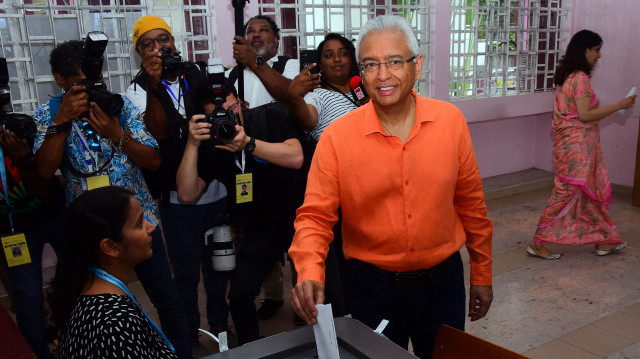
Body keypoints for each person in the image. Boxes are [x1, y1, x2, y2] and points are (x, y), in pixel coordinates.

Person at [288, 15, 493, 359]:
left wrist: (482, 273)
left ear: (418, 65)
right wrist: (309, 271)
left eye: (395, 61)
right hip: (372, 289)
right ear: (360, 73)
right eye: (371, 64)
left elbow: (472, 205)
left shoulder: (450, 122)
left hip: (443, 285)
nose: (383, 76)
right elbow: (314, 216)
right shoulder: (338, 137)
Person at [32, 40, 191, 358]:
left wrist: (116, 133)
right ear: (60, 81)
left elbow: (154, 160)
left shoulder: (119, 106)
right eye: (80, 82)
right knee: (86, 303)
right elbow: (44, 171)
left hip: (137, 221)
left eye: (95, 79)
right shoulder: (47, 115)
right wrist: (62, 119)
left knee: (167, 298)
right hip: (88, 230)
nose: (91, 88)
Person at [126, 16, 232, 350]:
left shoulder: (196, 72)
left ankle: (219, 328)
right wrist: (156, 85)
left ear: (175, 41)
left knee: (219, 266)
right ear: (139, 53)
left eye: (163, 39)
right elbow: (157, 134)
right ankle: (189, 333)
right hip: (176, 199)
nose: (159, 48)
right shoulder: (136, 90)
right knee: (185, 273)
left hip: (217, 188)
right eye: (148, 44)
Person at [176, 83, 304, 345]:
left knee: (325, 290)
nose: (228, 120)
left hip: (301, 217)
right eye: (216, 116)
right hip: (261, 226)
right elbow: (187, 194)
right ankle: (251, 349)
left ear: (242, 103)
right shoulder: (213, 145)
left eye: (231, 109)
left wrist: (248, 144)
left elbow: (296, 157)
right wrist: (191, 144)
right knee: (239, 296)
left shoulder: (271, 116)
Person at [527, 30, 636, 260]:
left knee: (588, 195)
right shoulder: (580, 79)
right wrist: (621, 105)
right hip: (577, 150)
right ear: (584, 50)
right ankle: (538, 242)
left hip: (574, 147)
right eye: (596, 50)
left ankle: (604, 241)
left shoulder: (567, 76)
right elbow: (585, 115)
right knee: (565, 194)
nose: (599, 55)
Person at [228, 15, 301, 321]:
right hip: (252, 168)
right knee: (260, 235)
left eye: (263, 30)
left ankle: (303, 298)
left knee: (299, 239)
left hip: (290, 164)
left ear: (276, 38)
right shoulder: (234, 75)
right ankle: (272, 295)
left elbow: (290, 95)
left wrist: (256, 62)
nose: (256, 35)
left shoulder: (291, 66)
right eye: (250, 31)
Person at [49, 186, 178, 358]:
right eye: (140, 223)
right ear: (110, 247)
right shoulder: (115, 323)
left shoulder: (87, 286)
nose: (151, 227)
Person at [0, 125, 65, 359]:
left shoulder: (20, 127)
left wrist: (24, 158)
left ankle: (81, 343)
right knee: (28, 299)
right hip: (14, 232)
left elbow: (45, 185)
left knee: (76, 282)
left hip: (54, 215)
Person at [288, 32, 362, 140]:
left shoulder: (366, 89)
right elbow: (308, 121)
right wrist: (295, 97)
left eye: (343, 54)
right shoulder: (317, 96)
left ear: (352, 59)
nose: (337, 59)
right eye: (329, 55)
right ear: (321, 65)